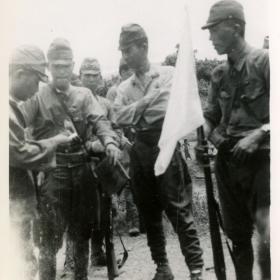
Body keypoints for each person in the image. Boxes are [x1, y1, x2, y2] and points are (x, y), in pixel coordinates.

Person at [19, 38, 121, 280]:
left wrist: (109, 142)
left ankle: (81, 277)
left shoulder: (84, 95)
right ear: (48, 68)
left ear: (73, 65)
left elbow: (100, 121)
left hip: (82, 170)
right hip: (53, 172)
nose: (62, 71)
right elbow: (19, 125)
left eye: (66, 66)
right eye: (56, 66)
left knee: (82, 233)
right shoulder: (37, 96)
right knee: (50, 238)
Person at [113, 23, 204, 280]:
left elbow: (169, 105)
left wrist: (138, 110)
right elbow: (120, 117)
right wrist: (145, 102)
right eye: (122, 51)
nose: (125, 56)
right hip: (140, 149)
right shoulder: (123, 88)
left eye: (128, 50)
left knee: (178, 209)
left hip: (165, 145)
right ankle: (162, 266)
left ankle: (196, 269)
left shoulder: (168, 74)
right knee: (148, 211)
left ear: (144, 46)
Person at [201, 1, 270, 279]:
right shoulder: (218, 74)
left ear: (236, 27)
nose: (210, 37)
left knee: (269, 231)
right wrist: (206, 137)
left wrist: (260, 133)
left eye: (215, 29)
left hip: (263, 161)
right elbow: (209, 117)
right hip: (228, 164)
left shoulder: (265, 61)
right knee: (237, 237)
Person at [9, 45, 74, 280]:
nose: (37, 88)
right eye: (35, 81)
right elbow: (19, 152)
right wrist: (55, 142)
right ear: (19, 75)